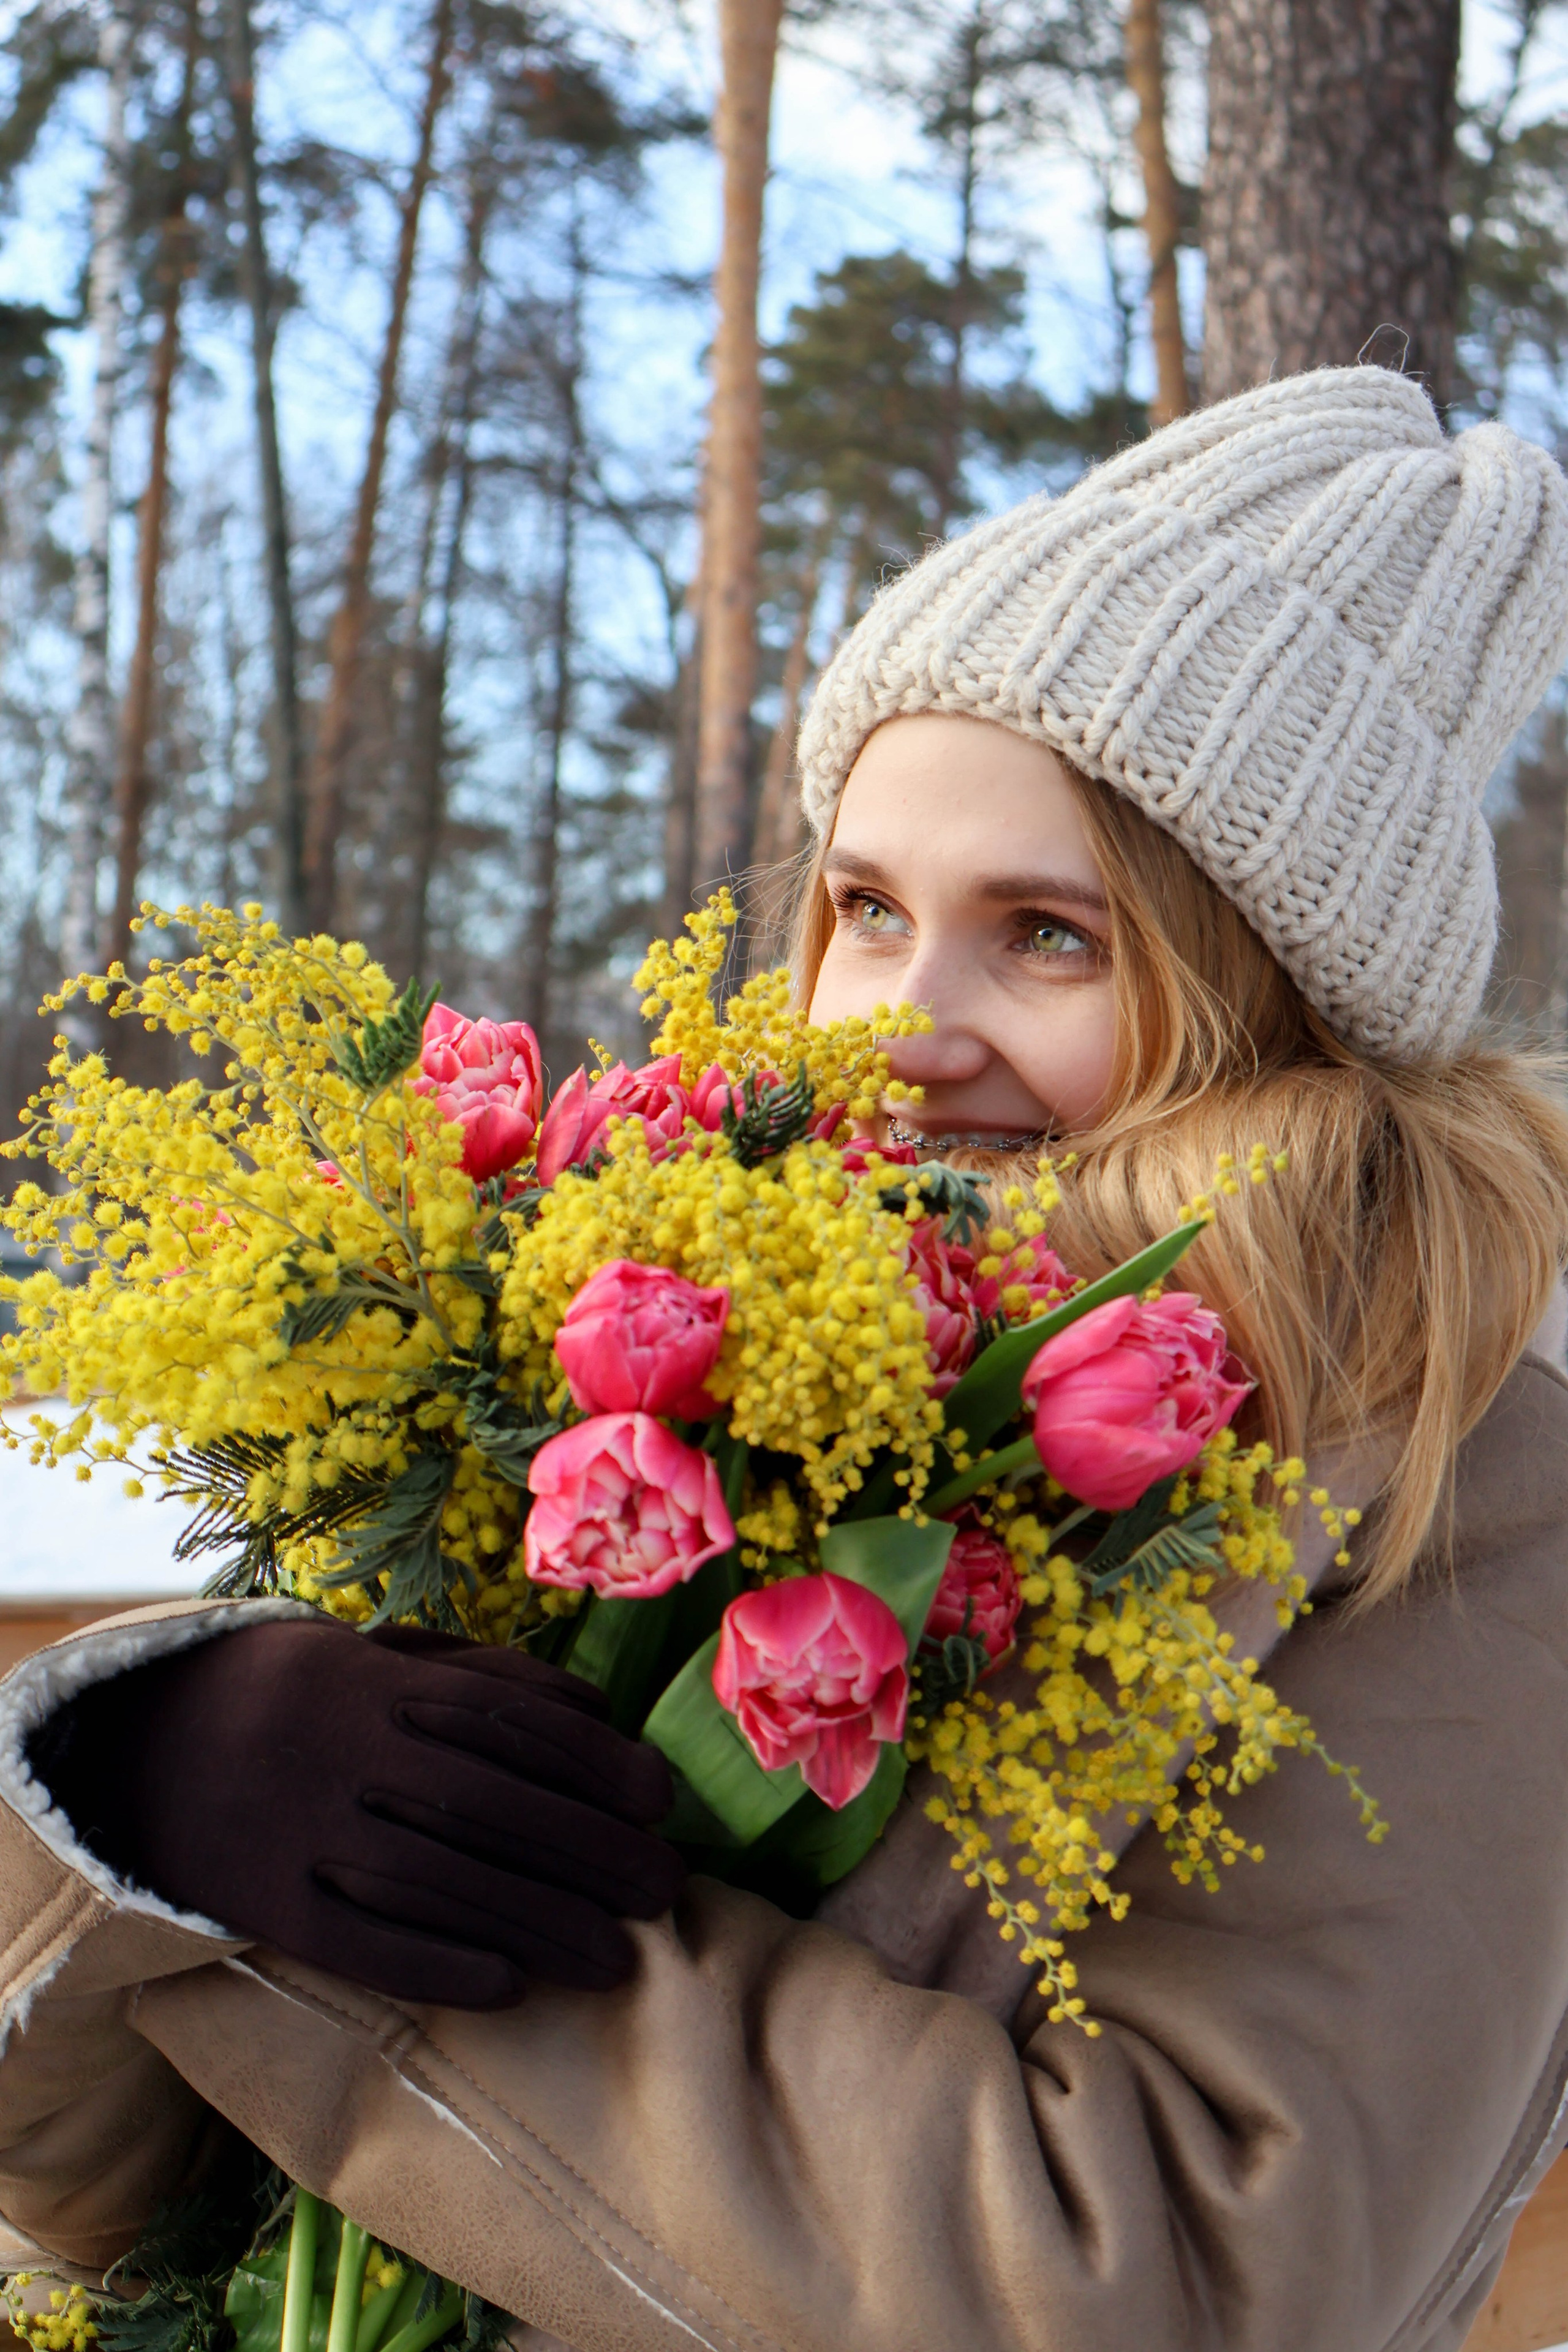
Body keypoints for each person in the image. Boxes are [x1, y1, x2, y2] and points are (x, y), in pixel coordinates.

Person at [1, 364, 1567, 2352]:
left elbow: (1165, 2284)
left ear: (1272, 993)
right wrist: (134, 1799)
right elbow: (130, 2210)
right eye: (866, 908)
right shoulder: (621, 1324)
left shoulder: (1444, 1475)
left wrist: (345, 1964)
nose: (903, 1024)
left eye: (1053, 935)